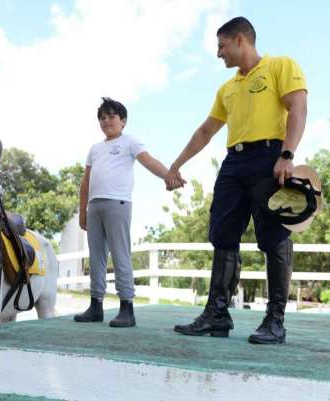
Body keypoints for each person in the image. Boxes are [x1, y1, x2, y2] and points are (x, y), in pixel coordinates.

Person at [166, 17, 307, 344]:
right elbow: (205, 131)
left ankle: (275, 320)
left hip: (269, 157)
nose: (218, 54)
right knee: (222, 235)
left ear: (240, 40)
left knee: (273, 236)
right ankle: (217, 314)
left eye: (221, 46)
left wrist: (287, 155)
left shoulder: (280, 66)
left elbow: (298, 106)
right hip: (234, 162)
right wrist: (175, 165)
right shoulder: (227, 88)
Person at [74, 97, 184, 328]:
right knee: (96, 257)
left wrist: (169, 175)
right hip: (94, 207)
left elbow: (149, 161)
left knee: (120, 254)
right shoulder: (94, 149)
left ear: (123, 121)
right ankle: (96, 306)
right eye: (102, 118)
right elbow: (86, 182)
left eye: (112, 116)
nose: (106, 121)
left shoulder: (129, 142)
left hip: (118, 204)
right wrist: (82, 211)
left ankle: (127, 307)